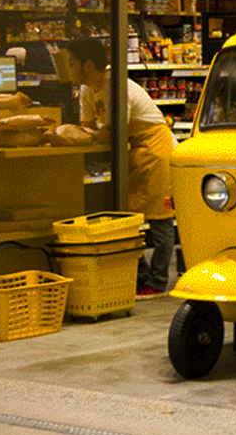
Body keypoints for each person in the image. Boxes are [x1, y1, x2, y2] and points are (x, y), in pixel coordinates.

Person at [65, 37, 175, 297]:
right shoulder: (87, 90)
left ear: (88, 65)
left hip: (157, 152)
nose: (69, 69)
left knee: (160, 221)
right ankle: (140, 277)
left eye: (72, 63)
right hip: (133, 155)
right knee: (127, 221)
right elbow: (89, 128)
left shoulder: (116, 86)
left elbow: (111, 132)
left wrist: (93, 134)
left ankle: (158, 281)